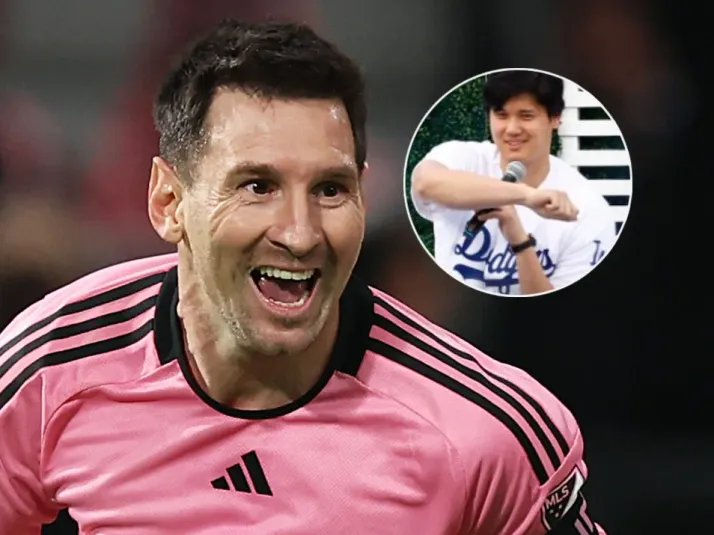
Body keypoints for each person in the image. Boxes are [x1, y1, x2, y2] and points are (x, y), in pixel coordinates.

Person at [0, 20, 605, 534]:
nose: (300, 233)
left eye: (330, 189)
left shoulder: (487, 431)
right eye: (257, 186)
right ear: (169, 203)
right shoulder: (49, 370)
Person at [410, 70, 617, 296]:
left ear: (555, 118)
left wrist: (520, 241)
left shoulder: (586, 207)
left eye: (526, 116)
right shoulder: (462, 158)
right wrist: (524, 195)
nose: (512, 129)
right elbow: (425, 184)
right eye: (501, 115)